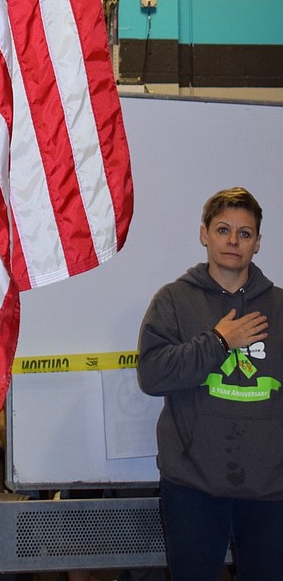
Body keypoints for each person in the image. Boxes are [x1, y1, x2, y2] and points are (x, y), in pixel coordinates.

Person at [137, 186, 283, 581]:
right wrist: (219, 342)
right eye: (222, 230)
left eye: (244, 233)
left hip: (270, 489)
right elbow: (152, 375)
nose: (233, 241)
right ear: (204, 235)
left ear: (257, 243)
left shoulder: (279, 307)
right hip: (193, 487)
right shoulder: (172, 300)